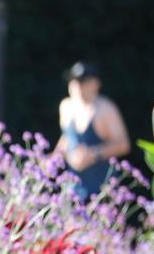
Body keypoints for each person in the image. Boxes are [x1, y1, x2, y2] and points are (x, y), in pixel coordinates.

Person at [52, 62, 131, 200]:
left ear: (96, 84)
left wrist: (94, 154)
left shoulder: (106, 109)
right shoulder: (66, 107)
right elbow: (67, 138)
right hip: (73, 188)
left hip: (101, 190)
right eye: (74, 82)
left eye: (83, 82)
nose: (78, 87)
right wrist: (53, 159)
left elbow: (123, 145)